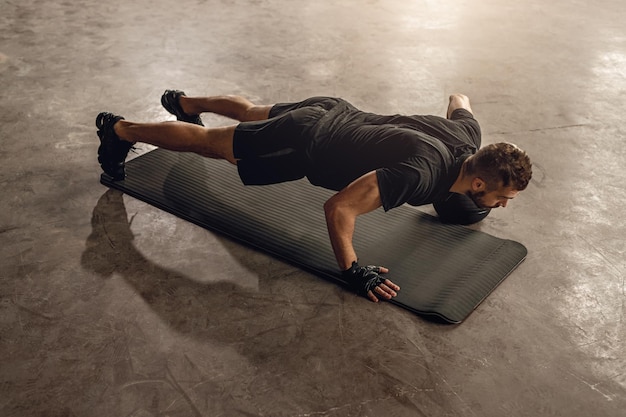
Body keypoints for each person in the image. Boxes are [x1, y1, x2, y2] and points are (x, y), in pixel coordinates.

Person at [96, 90, 532, 303]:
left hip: (334, 110)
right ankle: (119, 130)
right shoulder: (421, 175)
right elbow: (340, 206)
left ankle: (186, 101)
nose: (505, 204)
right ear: (478, 184)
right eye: (504, 196)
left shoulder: (468, 134)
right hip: (306, 141)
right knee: (213, 145)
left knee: (250, 113)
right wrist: (353, 270)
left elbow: (460, 97)